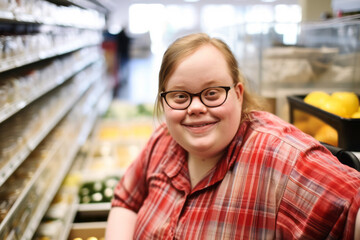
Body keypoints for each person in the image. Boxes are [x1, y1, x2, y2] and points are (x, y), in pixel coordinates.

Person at [106, 33, 360, 239]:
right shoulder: (163, 140)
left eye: (212, 93)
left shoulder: (278, 155)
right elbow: (126, 201)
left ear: (238, 94)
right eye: (180, 96)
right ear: (164, 102)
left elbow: (351, 208)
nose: (195, 108)